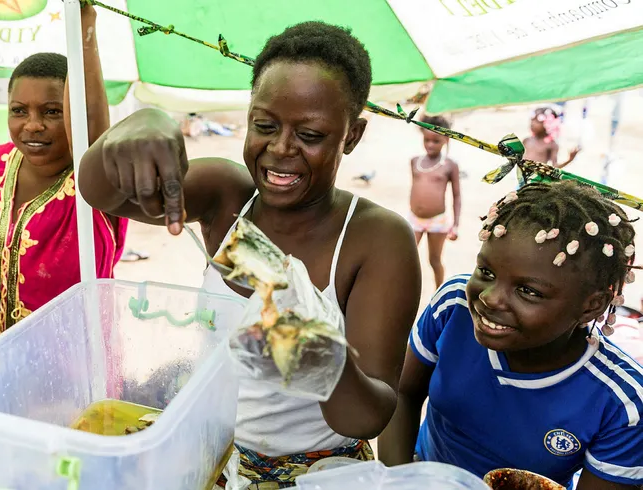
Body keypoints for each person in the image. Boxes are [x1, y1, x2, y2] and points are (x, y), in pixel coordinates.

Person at [78, 21, 421, 487]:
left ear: (352, 136)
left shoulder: (376, 239)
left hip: (316, 473)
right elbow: (102, 193)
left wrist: (322, 359)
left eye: (311, 135)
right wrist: (146, 124)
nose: (280, 149)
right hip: (213, 458)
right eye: (264, 125)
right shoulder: (227, 198)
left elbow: (367, 417)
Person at [379, 181, 643, 490]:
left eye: (528, 291)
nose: (490, 298)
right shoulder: (455, 308)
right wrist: (397, 481)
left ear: (591, 306)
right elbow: (404, 393)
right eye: (487, 273)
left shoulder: (621, 402)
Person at [0, 3, 127, 338]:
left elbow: (91, 132)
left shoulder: (96, 183)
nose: (32, 125)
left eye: (52, 112)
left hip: (73, 369)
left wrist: (84, 26)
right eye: (19, 110)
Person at [409, 114, 461, 289]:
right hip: (415, 218)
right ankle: (403, 289)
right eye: (427, 140)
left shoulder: (449, 165)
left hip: (438, 221)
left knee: (434, 259)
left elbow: (457, 196)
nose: (430, 144)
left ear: (446, 139)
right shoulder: (415, 161)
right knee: (408, 255)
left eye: (436, 141)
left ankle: (438, 291)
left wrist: (456, 225)